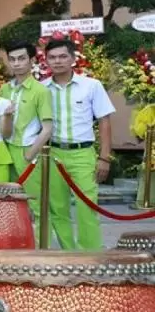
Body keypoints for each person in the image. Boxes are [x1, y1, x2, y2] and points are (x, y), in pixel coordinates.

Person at [43, 37, 115, 250]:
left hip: (82, 153)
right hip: (52, 153)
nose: (58, 61)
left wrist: (104, 157)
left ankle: (91, 256)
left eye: (63, 56)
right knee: (58, 208)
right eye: (52, 57)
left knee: (87, 206)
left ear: (73, 58)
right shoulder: (41, 88)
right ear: (46, 60)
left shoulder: (91, 86)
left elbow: (104, 121)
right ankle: (68, 254)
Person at [0, 41, 54, 217]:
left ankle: (39, 245)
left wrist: (30, 154)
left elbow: (48, 128)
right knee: (9, 205)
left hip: (27, 152)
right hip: (5, 151)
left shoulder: (41, 91)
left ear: (32, 60)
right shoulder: (4, 89)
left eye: (21, 58)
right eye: (12, 59)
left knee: (36, 206)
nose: (16, 63)